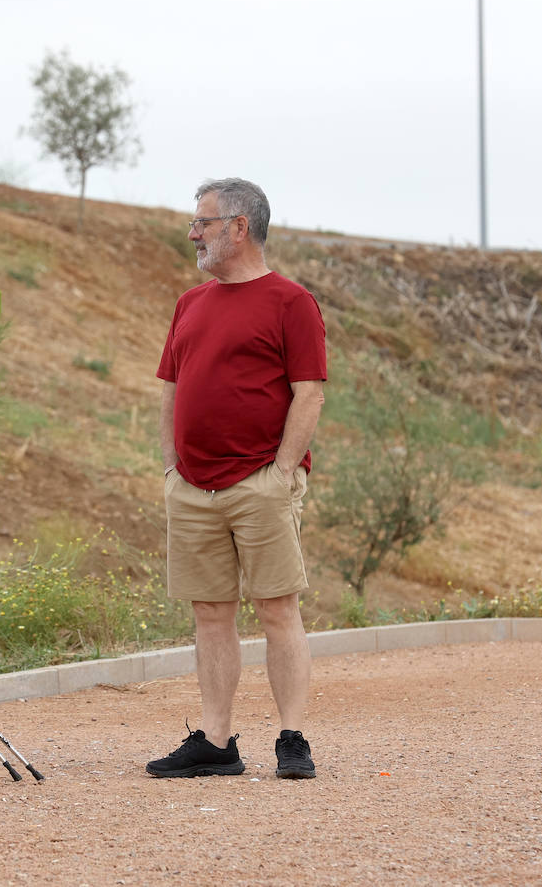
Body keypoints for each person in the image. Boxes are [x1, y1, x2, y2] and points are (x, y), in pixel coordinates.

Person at [146, 178, 326, 782]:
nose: (193, 233)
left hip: (260, 484)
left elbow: (308, 394)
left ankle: (292, 739)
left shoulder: (291, 302)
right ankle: (216, 743)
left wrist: (281, 473)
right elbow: (171, 388)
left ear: (239, 227)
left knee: (277, 609)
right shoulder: (189, 303)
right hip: (193, 487)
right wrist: (171, 467)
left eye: (202, 222)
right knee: (210, 613)